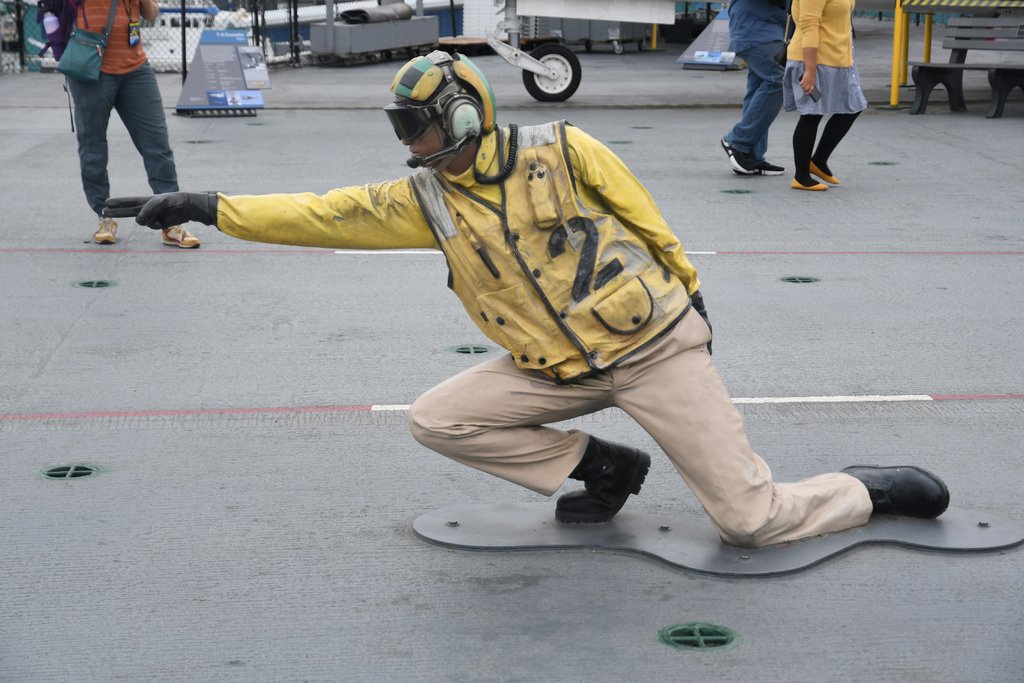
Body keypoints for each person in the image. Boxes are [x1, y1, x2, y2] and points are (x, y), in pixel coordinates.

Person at [104, 51, 949, 548]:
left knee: (751, 523)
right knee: (437, 417)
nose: (412, 143)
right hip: (555, 369)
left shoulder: (563, 147)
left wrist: (693, 299)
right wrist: (209, 206)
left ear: (465, 112)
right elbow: (324, 211)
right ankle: (602, 465)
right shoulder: (425, 199)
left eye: (421, 126)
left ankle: (869, 489)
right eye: (404, 131)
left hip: (653, 350)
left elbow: (646, 221)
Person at [66, 0, 199, 247]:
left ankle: (171, 221)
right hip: (90, 68)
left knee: (157, 145)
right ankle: (104, 217)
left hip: (135, 68)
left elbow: (150, 13)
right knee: (92, 146)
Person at [783, 0, 868, 191]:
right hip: (815, 63)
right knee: (812, 114)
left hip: (839, 61)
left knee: (853, 107)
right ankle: (801, 176)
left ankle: (819, 160)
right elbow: (808, 25)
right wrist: (810, 70)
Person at [720, 0, 788, 177]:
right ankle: (737, 141)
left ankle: (750, 156)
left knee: (759, 88)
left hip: (758, 31)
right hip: (758, 32)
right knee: (777, 80)